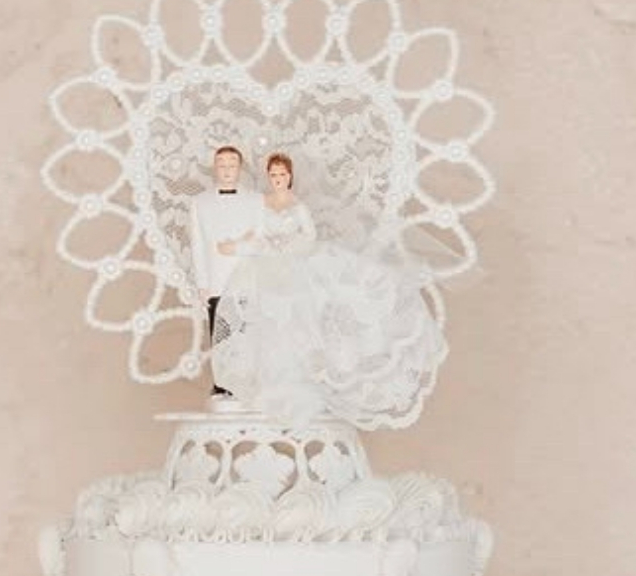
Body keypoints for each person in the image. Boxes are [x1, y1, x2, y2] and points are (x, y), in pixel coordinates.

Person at [209, 152, 444, 428]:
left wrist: (290, 245)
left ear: (290, 176)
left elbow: (309, 235)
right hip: (266, 265)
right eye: (273, 175)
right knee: (267, 319)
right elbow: (254, 233)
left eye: (282, 175)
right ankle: (273, 379)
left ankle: (306, 376)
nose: (278, 180)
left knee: (304, 314)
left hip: (294, 261)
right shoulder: (261, 204)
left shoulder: (297, 205)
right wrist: (237, 246)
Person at [186, 145, 264, 398]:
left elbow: (262, 240)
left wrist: (238, 247)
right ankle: (222, 383)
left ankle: (246, 381)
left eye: (232, 165)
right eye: (222, 165)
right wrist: (202, 283)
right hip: (216, 279)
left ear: (239, 168)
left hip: (246, 276)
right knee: (219, 332)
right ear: (215, 168)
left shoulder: (255, 200)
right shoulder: (199, 203)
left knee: (246, 331)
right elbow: (197, 245)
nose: (227, 170)